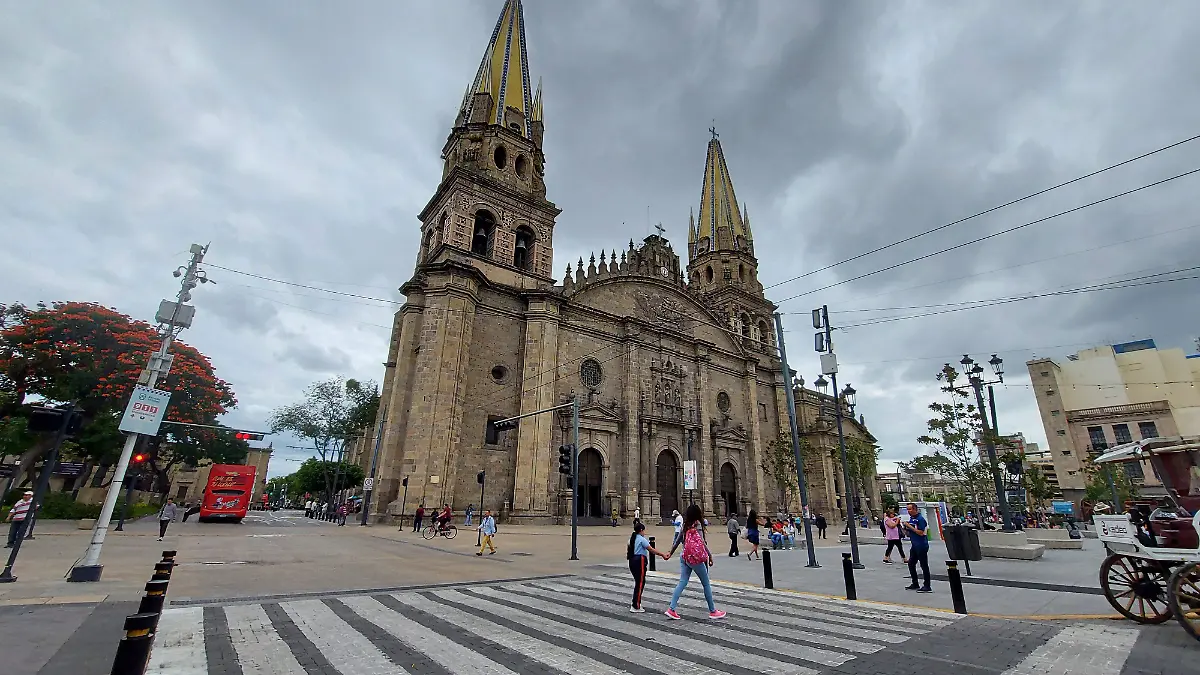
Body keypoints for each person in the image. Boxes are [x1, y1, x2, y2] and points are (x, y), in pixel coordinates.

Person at [664, 504, 726, 620]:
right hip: (695, 558)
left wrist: (670, 553)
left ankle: (671, 609)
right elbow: (702, 542)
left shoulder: (685, 525)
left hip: (684, 556)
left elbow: (677, 541)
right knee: (706, 583)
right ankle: (713, 611)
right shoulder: (697, 525)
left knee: (682, 582)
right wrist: (710, 555)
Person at [627, 521, 668, 612]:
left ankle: (636, 602)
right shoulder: (641, 539)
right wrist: (662, 555)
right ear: (641, 530)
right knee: (640, 583)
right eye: (643, 530)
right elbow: (651, 550)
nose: (644, 532)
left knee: (638, 582)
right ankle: (636, 605)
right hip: (639, 561)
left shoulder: (631, 539)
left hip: (632, 561)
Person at [901, 502, 932, 593]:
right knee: (911, 564)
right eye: (907, 509)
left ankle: (927, 585)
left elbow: (921, 532)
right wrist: (904, 528)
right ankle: (915, 583)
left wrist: (909, 526)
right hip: (914, 545)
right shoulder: (911, 519)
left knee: (924, 565)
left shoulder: (920, 519)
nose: (908, 511)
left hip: (921, 545)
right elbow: (909, 533)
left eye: (910, 509)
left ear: (915, 509)